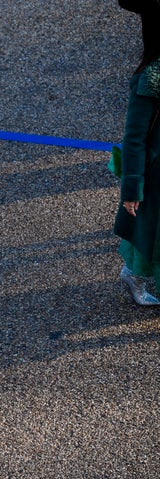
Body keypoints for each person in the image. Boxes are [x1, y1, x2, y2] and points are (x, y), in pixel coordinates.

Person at [113, 0, 160, 305]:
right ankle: (134, 274)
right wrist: (132, 188)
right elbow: (134, 139)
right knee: (150, 240)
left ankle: (134, 273)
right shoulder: (152, 79)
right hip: (156, 182)